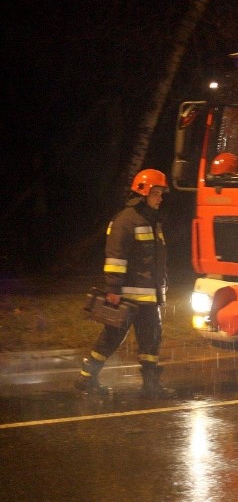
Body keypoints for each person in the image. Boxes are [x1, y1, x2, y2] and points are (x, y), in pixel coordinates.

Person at [74, 169, 175, 399]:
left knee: (151, 340)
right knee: (111, 339)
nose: (160, 198)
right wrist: (113, 289)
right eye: (156, 193)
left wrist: (162, 288)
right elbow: (115, 257)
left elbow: (158, 261)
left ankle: (150, 386)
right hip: (128, 297)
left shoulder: (153, 222)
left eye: (161, 193)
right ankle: (85, 379)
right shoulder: (125, 221)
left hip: (149, 297)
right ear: (143, 193)